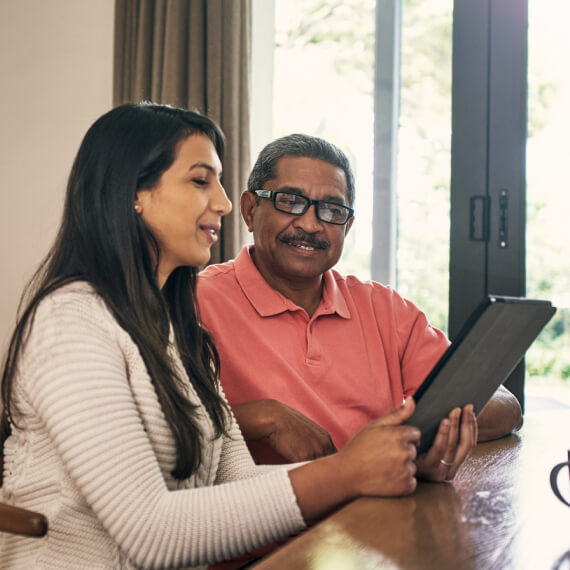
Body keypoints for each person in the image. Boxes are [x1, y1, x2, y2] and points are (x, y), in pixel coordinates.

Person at [0, 104, 472, 569]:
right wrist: (348, 471)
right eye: (201, 180)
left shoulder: (171, 327)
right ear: (134, 194)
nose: (224, 203)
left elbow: (236, 484)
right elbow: (151, 533)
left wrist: (387, 467)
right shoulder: (70, 322)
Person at [197, 133, 522, 469]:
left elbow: (502, 406)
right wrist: (263, 417)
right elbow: (158, 430)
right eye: (290, 201)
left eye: (331, 209)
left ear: (347, 227)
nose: (310, 224)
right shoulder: (195, 302)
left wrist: (382, 445)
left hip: (379, 510)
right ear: (250, 210)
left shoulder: (385, 309)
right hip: (262, 518)